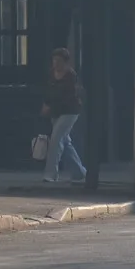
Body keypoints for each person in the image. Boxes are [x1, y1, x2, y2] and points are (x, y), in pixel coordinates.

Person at [41, 47, 88, 183]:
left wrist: (51, 103)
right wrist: (46, 104)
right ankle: (79, 172)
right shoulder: (51, 74)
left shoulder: (71, 76)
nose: (56, 64)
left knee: (56, 139)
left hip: (70, 111)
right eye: (54, 60)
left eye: (59, 61)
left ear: (66, 62)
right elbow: (48, 90)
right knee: (65, 142)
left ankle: (50, 174)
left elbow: (69, 96)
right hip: (55, 112)